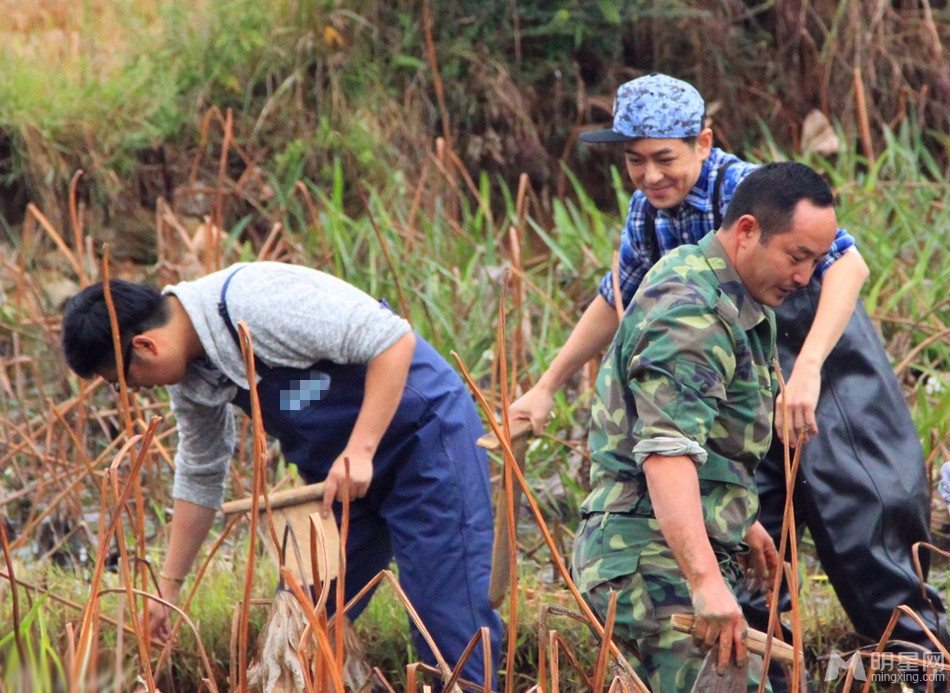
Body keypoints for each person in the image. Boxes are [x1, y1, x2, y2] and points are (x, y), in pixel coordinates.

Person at [511, 73, 947, 678]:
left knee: (859, 515)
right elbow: (619, 298)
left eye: (664, 158)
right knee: (753, 546)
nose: (651, 176)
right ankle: (770, 661)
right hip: (722, 375)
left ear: (703, 143)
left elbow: (845, 266)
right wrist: (547, 384)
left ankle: (920, 667)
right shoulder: (651, 220)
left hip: (811, 352)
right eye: (635, 161)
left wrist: (807, 373)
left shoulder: (756, 193)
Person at [60, 261, 503, 688]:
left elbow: (393, 340)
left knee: (446, 615)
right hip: (335, 478)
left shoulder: (258, 301)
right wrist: (168, 591)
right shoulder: (196, 379)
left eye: (123, 382)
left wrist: (361, 449)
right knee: (298, 624)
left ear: (145, 346)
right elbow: (200, 474)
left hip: (423, 440)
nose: (132, 392)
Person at [571, 161, 837, 691]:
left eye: (815, 262)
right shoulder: (691, 312)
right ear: (747, 231)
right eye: (797, 256)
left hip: (660, 552)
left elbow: (706, 442)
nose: (805, 278)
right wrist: (705, 582)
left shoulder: (724, 294)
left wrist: (741, 522)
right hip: (649, 563)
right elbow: (666, 452)